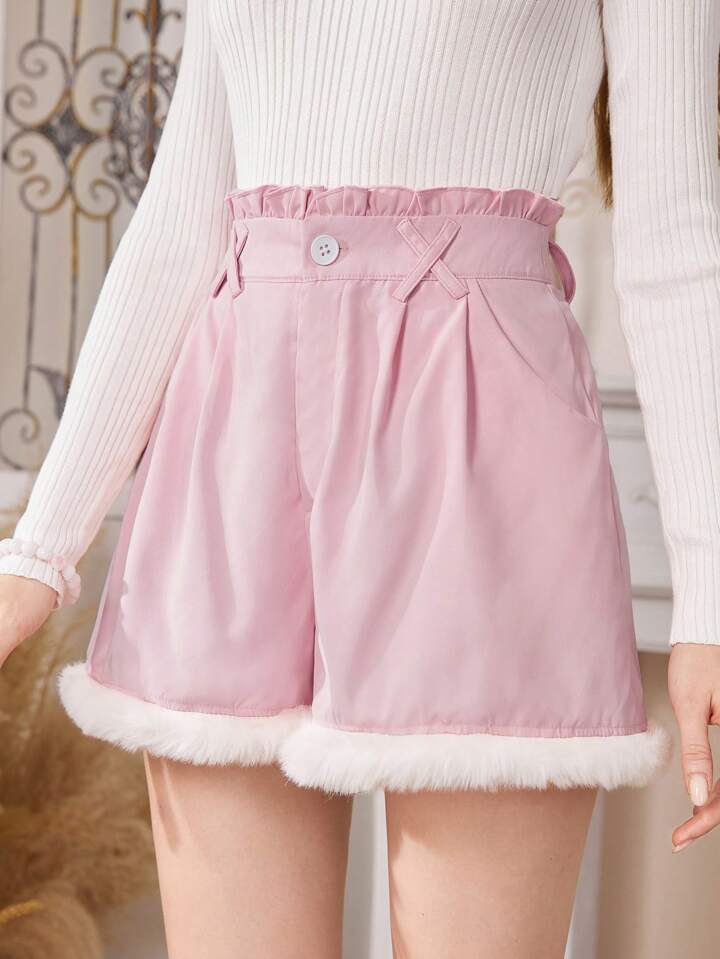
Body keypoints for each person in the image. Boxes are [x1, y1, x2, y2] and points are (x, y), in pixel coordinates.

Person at [1, 1, 719, 956]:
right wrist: (38, 552)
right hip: (235, 444)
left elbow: (675, 242)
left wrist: (710, 595)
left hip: (479, 440)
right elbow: (178, 228)